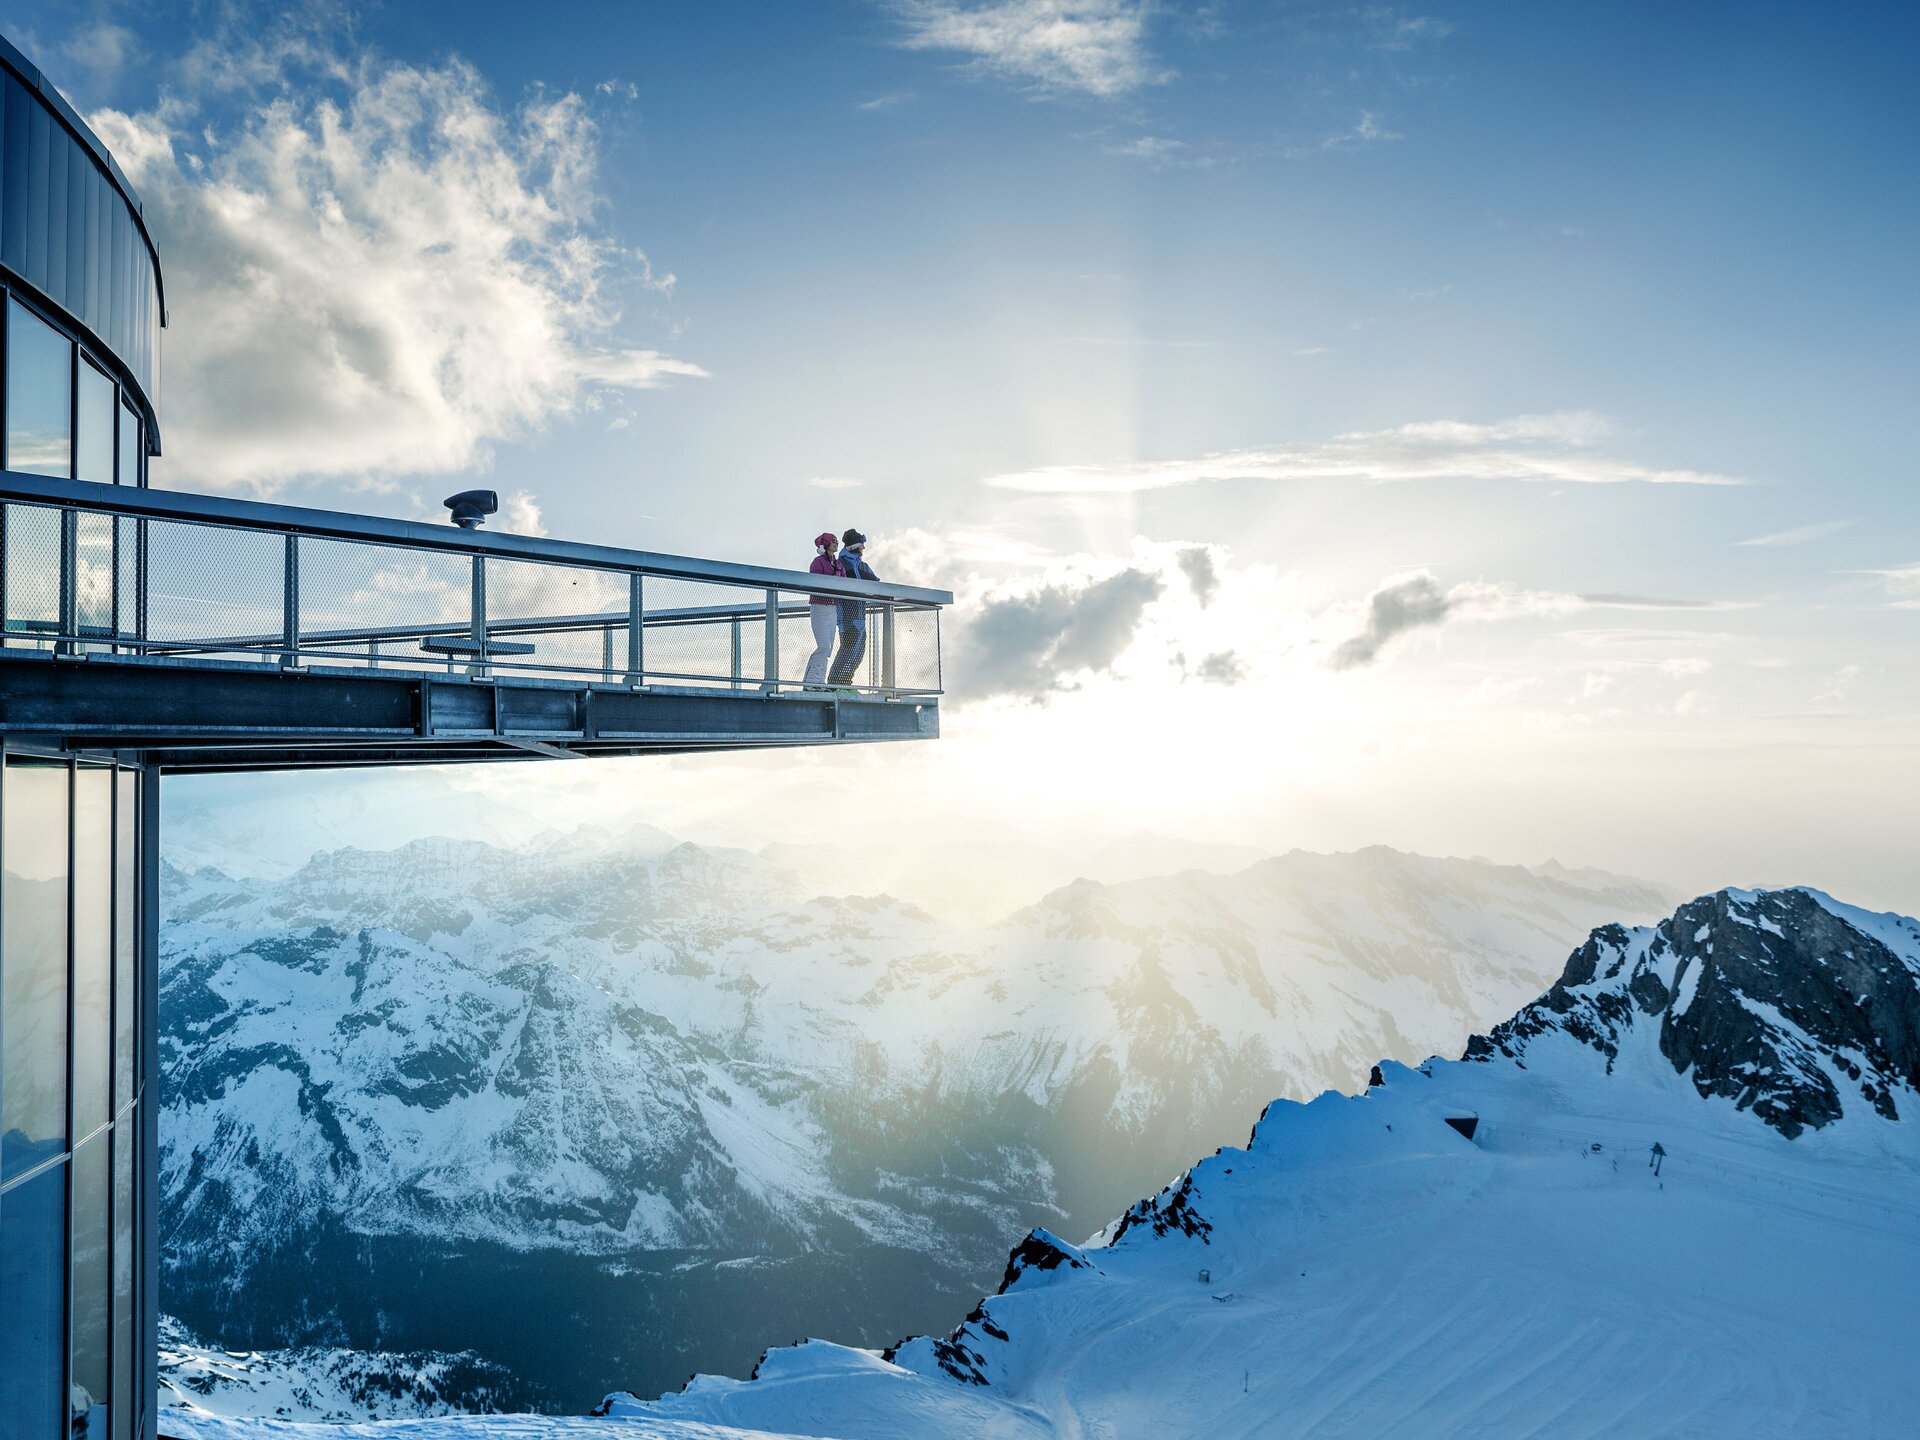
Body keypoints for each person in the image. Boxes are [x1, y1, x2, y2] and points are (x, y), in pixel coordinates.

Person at [827, 527, 877, 690]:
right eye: (861, 545)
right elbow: (837, 585)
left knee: (859, 648)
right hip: (847, 614)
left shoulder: (862, 566)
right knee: (849, 647)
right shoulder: (840, 563)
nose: (863, 548)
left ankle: (846, 681)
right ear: (853, 546)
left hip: (860, 613)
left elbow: (876, 585)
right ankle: (835, 683)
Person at [802, 531, 840, 687]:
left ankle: (814, 681)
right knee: (824, 646)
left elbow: (843, 583)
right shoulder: (818, 562)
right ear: (826, 544)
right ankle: (813, 682)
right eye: (834, 541)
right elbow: (816, 582)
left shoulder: (837, 564)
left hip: (832, 606)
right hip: (819, 605)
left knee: (828, 648)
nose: (837, 543)